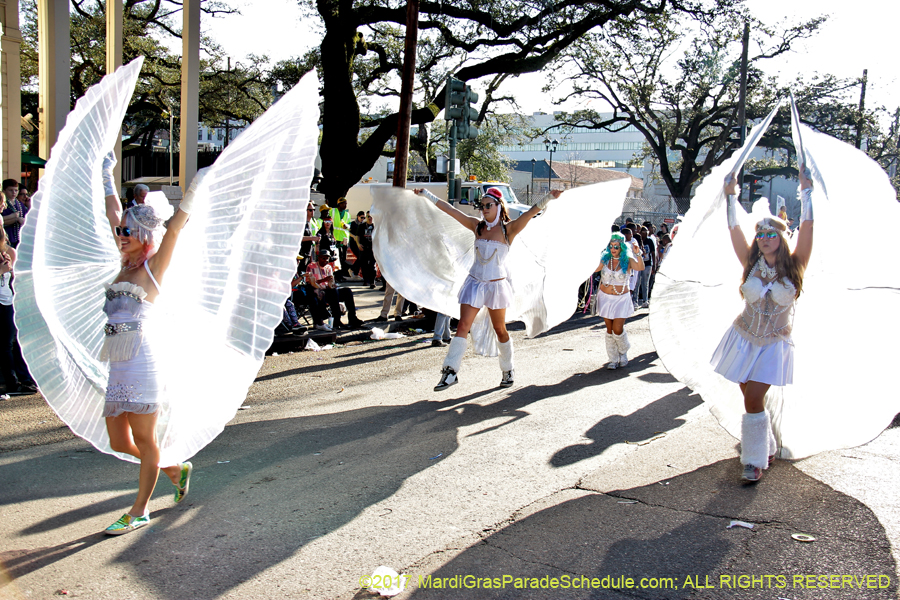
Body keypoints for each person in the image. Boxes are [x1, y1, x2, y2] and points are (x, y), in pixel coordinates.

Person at [100, 185, 195, 534]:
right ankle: (173, 469)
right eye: (119, 231)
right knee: (118, 442)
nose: (121, 236)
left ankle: (139, 510)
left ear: (143, 235)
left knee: (144, 440)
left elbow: (174, 230)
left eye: (127, 231)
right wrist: (106, 175)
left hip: (143, 363)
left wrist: (194, 192)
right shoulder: (123, 267)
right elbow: (113, 211)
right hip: (118, 366)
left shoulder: (153, 268)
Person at [710, 167, 813, 482]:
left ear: (781, 238)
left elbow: (809, 227)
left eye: (771, 235)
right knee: (750, 397)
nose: (765, 239)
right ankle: (765, 445)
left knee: (753, 397)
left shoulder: (795, 265)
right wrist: (731, 197)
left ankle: (753, 461)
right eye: (761, 235)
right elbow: (733, 230)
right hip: (743, 338)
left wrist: (806, 191)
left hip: (774, 344)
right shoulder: (751, 262)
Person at [414, 186, 561, 391]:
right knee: (463, 325)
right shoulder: (477, 226)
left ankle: (508, 369)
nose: (484, 209)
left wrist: (548, 197)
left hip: (496, 286)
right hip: (474, 283)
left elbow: (529, 213)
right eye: (482, 206)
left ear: (498, 206)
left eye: (488, 205)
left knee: (500, 329)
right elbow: (451, 210)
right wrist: (427, 195)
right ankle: (450, 371)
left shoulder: (508, 230)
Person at [592, 232, 645, 369]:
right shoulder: (605, 259)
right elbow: (594, 269)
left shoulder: (628, 260)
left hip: (621, 299)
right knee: (609, 330)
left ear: (622, 247)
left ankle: (623, 351)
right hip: (605, 298)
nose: (613, 249)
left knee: (617, 329)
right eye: (611, 246)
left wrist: (637, 253)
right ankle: (613, 358)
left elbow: (640, 267)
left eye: (616, 246)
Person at [0, 227, 38, 394]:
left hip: (8, 300)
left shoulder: (8, 253)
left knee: (14, 342)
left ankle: (24, 379)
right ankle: (12, 383)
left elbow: (15, 279)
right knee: (5, 345)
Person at [305, 248, 364, 329]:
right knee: (333, 292)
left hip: (329, 291)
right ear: (319, 257)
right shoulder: (311, 266)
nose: (325, 261)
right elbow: (309, 282)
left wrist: (332, 284)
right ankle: (337, 320)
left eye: (327, 259)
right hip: (318, 292)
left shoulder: (328, 267)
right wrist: (323, 280)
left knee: (347, 291)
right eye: (323, 258)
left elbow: (330, 283)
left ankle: (352, 318)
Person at [1, 179, 25, 248]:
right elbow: (2, 221)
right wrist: (14, 218)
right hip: (6, 238)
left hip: (19, 238)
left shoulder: (20, 204)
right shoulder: (2, 205)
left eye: (16, 190)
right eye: (10, 190)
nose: (14, 192)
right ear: (4, 191)